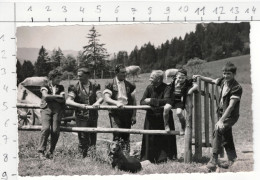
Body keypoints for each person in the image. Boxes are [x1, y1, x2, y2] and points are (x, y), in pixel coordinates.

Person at [193, 62, 243, 171]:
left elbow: (230, 107)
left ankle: (213, 161)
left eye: (228, 74)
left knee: (218, 130)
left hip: (230, 116)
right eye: (224, 73)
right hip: (221, 113)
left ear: (234, 74)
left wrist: (220, 121)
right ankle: (232, 158)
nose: (226, 76)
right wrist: (200, 77)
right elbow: (212, 80)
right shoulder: (223, 81)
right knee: (226, 134)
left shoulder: (237, 87)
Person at [140, 70, 177, 163]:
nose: (149, 79)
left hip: (163, 118)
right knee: (150, 138)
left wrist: (151, 100)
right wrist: (154, 102)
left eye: (152, 78)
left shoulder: (167, 88)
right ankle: (149, 158)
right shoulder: (149, 88)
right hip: (151, 117)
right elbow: (142, 102)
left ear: (159, 79)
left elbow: (167, 100)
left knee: (164, 139)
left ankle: (164, 158)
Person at [66, 67, 103, 158]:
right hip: (81, 116)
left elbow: (101, 97)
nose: (78, 78)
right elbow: (68, 101)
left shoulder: (95, 85)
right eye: (78, 76)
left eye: (81, 76)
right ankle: (83, 157)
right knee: (82, 137)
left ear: (87, 76)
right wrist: (79, 105)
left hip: (93, 116)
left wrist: (97, 103)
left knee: (93, 136)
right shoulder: (75, 87)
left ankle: (93, 156)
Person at [103, 64, 137, 155]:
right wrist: (116, 103)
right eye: (122, 73)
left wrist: (134, 115)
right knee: (117, 134)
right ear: (116, 73)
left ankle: (126, 156)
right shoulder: (110, 84)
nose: (124, 74)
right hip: (115, 113)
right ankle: (115, 156)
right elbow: (106, 98)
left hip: (127, 112)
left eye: (125, 72)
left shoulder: (130, 84)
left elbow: (134, 101)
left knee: (126, 134)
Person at [37, 69, 65, 159]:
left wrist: (51, 97)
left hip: (57, 110)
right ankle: (41, 151)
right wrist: (57, 97)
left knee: (55, 130)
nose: (59, 80)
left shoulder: (61, 87)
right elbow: (45, 96)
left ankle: (51, 151)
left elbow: (63, 99)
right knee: (45, 128)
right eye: (57, 78)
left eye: (60, 78)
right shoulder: (45, 86)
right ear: (52, 78)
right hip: (46, 109)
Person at [163, 69, 198, 135]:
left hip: (180, 100)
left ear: (186, 78)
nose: (181, 79)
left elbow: (196, 85)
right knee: (166, 108)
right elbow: (168, 82)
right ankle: (166, 125)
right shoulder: (173, 81)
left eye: (183, 78)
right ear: (176, 77)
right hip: (172, 99)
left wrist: (190, 90)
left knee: (179, 113)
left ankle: (183, 126)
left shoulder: (187, 82)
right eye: (179, 77)